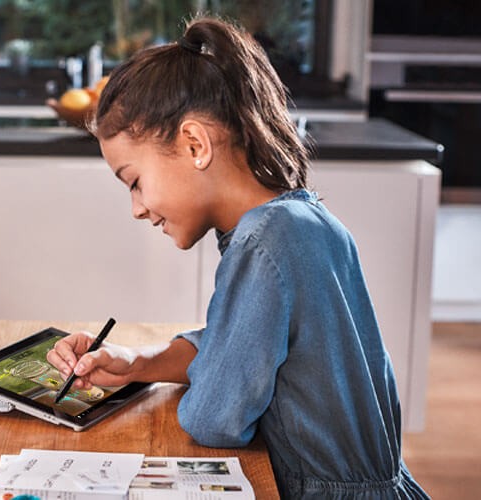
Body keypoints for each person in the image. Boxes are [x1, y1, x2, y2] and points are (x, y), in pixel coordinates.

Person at [46, 16, 429, 499]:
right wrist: (135, 362)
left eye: (134, 181)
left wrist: (206, 380)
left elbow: (214, 418)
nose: (137, 209)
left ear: (194, 144)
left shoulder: (262, 242)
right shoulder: (299, 221)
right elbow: (251, 346)